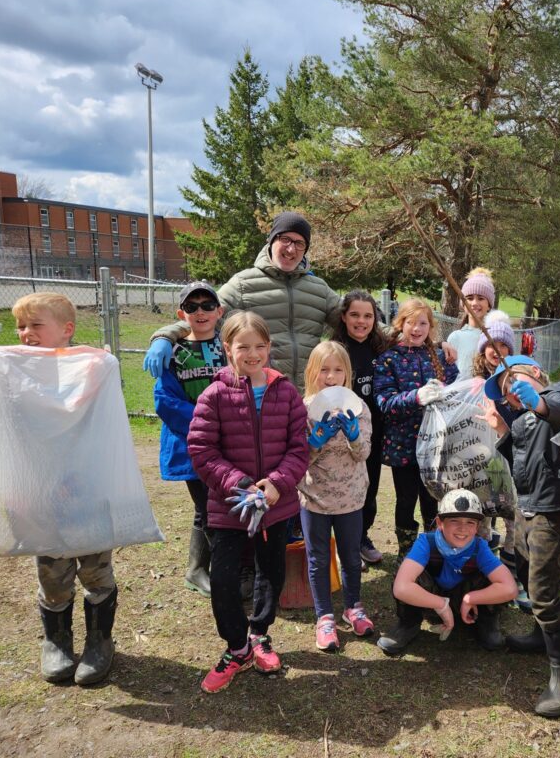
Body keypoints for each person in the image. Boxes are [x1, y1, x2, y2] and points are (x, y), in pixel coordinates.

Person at [187, 311, 309, 694]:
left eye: (260, 346)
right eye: (243, 347)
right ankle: (236, 648)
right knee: (223, 579)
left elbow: (299, 448)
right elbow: (202, 451)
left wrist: (276, 484)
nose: (252, 354)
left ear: (269, 348)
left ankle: (259, 633)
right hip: (230, 508)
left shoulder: (286, 392)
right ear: (228, 349)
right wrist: (239, 484)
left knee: (270, 574)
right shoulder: (214, 394)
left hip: (276, 505)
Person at [10, 293, 120, 686]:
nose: (26, 334)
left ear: (66, 329)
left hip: (87, 491)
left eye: (36, 325)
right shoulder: (17, 371)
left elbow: (96, 408)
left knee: (95, 569)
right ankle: (56, 641)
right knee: (52, 572)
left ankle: (99, 641)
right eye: (21, 326)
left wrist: (96, 366)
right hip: (42, 494)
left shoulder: (88, 368)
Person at [482, 354, 560, 718]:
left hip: (552, 507)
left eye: (514, 382)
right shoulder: (523, 419)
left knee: (542, 590)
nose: (511, 392)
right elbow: (520, 459)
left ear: (537, 373)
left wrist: (538, 401)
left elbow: (559, 411)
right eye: (506, 391)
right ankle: (542, 636)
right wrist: (502, 431)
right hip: (526, 506)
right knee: (525, 571)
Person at [143, 211, 341, 389]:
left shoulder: (319, 289)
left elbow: (356, 320)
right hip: (261, 395)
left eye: (299, 243)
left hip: (308, 396)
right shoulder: (243, 284)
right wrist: (164, 337)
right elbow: (204, 315)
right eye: (285, 239)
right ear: (271, 240)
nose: (291, 249)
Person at [299, 341, 375, 652]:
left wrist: (354, 436)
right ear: (312, 372)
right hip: (314, 497)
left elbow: (364, 453)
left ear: (348, 374)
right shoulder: (303, 409)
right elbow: (299, 460)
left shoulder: (359, 407)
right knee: (317, 558)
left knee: (350, 555)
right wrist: (315, 441)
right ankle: (324, 617)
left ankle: (353, 607)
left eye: (338, 369)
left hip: (351, 498)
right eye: (324, 370)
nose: (331, 376)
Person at [377, 489, 518, 656]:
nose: (462, 528)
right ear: (439, 523)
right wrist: (440, 604)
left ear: (478, 526)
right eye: (454, 520)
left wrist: (471, 598)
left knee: (491, 576)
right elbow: (401, 587)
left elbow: (510, 588)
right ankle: (408, 623)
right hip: (431, 600)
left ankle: (486, 621)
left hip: (466, 601)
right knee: (405, 569)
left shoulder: (479, 547)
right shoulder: (426, 542)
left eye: (470, 522)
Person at [153, 281, 226, 596]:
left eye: (208, 305)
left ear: (219, 312)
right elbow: (164, 401)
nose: (201, 311)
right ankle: (217, 569)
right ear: (181, 313)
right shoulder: (173, 351)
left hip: (227, 441)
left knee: (215, 506)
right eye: (192, 306)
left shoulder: (229, 348)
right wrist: (206, 423)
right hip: (192, 444)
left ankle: (197, 569)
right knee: (207, 506)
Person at [374, 298, 459, 561]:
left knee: (432, 499)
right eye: (411, 322)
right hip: (404, 446)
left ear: (430, 327)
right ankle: (407, 551)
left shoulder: (438, 357)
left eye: (423, 323)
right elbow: (384, 402)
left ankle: (434, 549)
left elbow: (456, 390)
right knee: (406, 499)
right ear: (400, 324)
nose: (417, 328)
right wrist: (417, 397)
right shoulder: (388, 360)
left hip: (436, 446)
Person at [472, 312, 532, 613]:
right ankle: (486, 576)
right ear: (483, 349)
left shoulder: (517, 380)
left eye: (504, 345)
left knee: (513, 522)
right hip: (481, 465)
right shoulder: (473, 383)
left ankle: (515, 578)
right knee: (482, 520)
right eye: (491, 344)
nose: (497, 350)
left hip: (511, 463)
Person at [331, 290, 391, 567]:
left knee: (369, 490)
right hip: (342, 436)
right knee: (344, 493)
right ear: (344, 317)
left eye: (368, 316)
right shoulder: (335, 350)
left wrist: (442, 345)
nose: (361, 321)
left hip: (373, 435)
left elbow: (415, 338)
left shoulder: (382, 348)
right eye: (355, 314)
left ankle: (361, 538)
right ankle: (345, 547)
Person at [446, 267, 496, 376]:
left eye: (481, 298)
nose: (474, 303)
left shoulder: (495, 337)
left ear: (489, 305)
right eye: (469, 298)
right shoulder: (455, 337)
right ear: (463, 304)